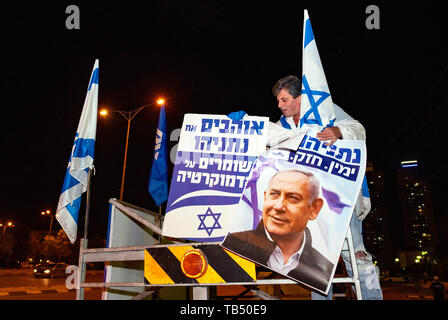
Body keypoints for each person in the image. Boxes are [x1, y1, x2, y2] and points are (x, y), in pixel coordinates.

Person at [272, 75, 383, 300]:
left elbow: (357, 128)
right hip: (309, 205)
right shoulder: (282, 125)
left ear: (300, 98)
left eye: (284, 99)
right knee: (315, 259)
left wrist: (339, 132)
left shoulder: (326, 109)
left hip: (340, 198)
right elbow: (263, 139)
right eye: (278, 101)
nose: (280, 105)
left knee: (356, 254)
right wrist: (243, 125)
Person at [222, 169, 334, 293]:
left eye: (293, 198)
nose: (279, 206)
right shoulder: (233, 244)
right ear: (265, 197)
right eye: (274, 194)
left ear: (314, 209)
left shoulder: (325, 266)